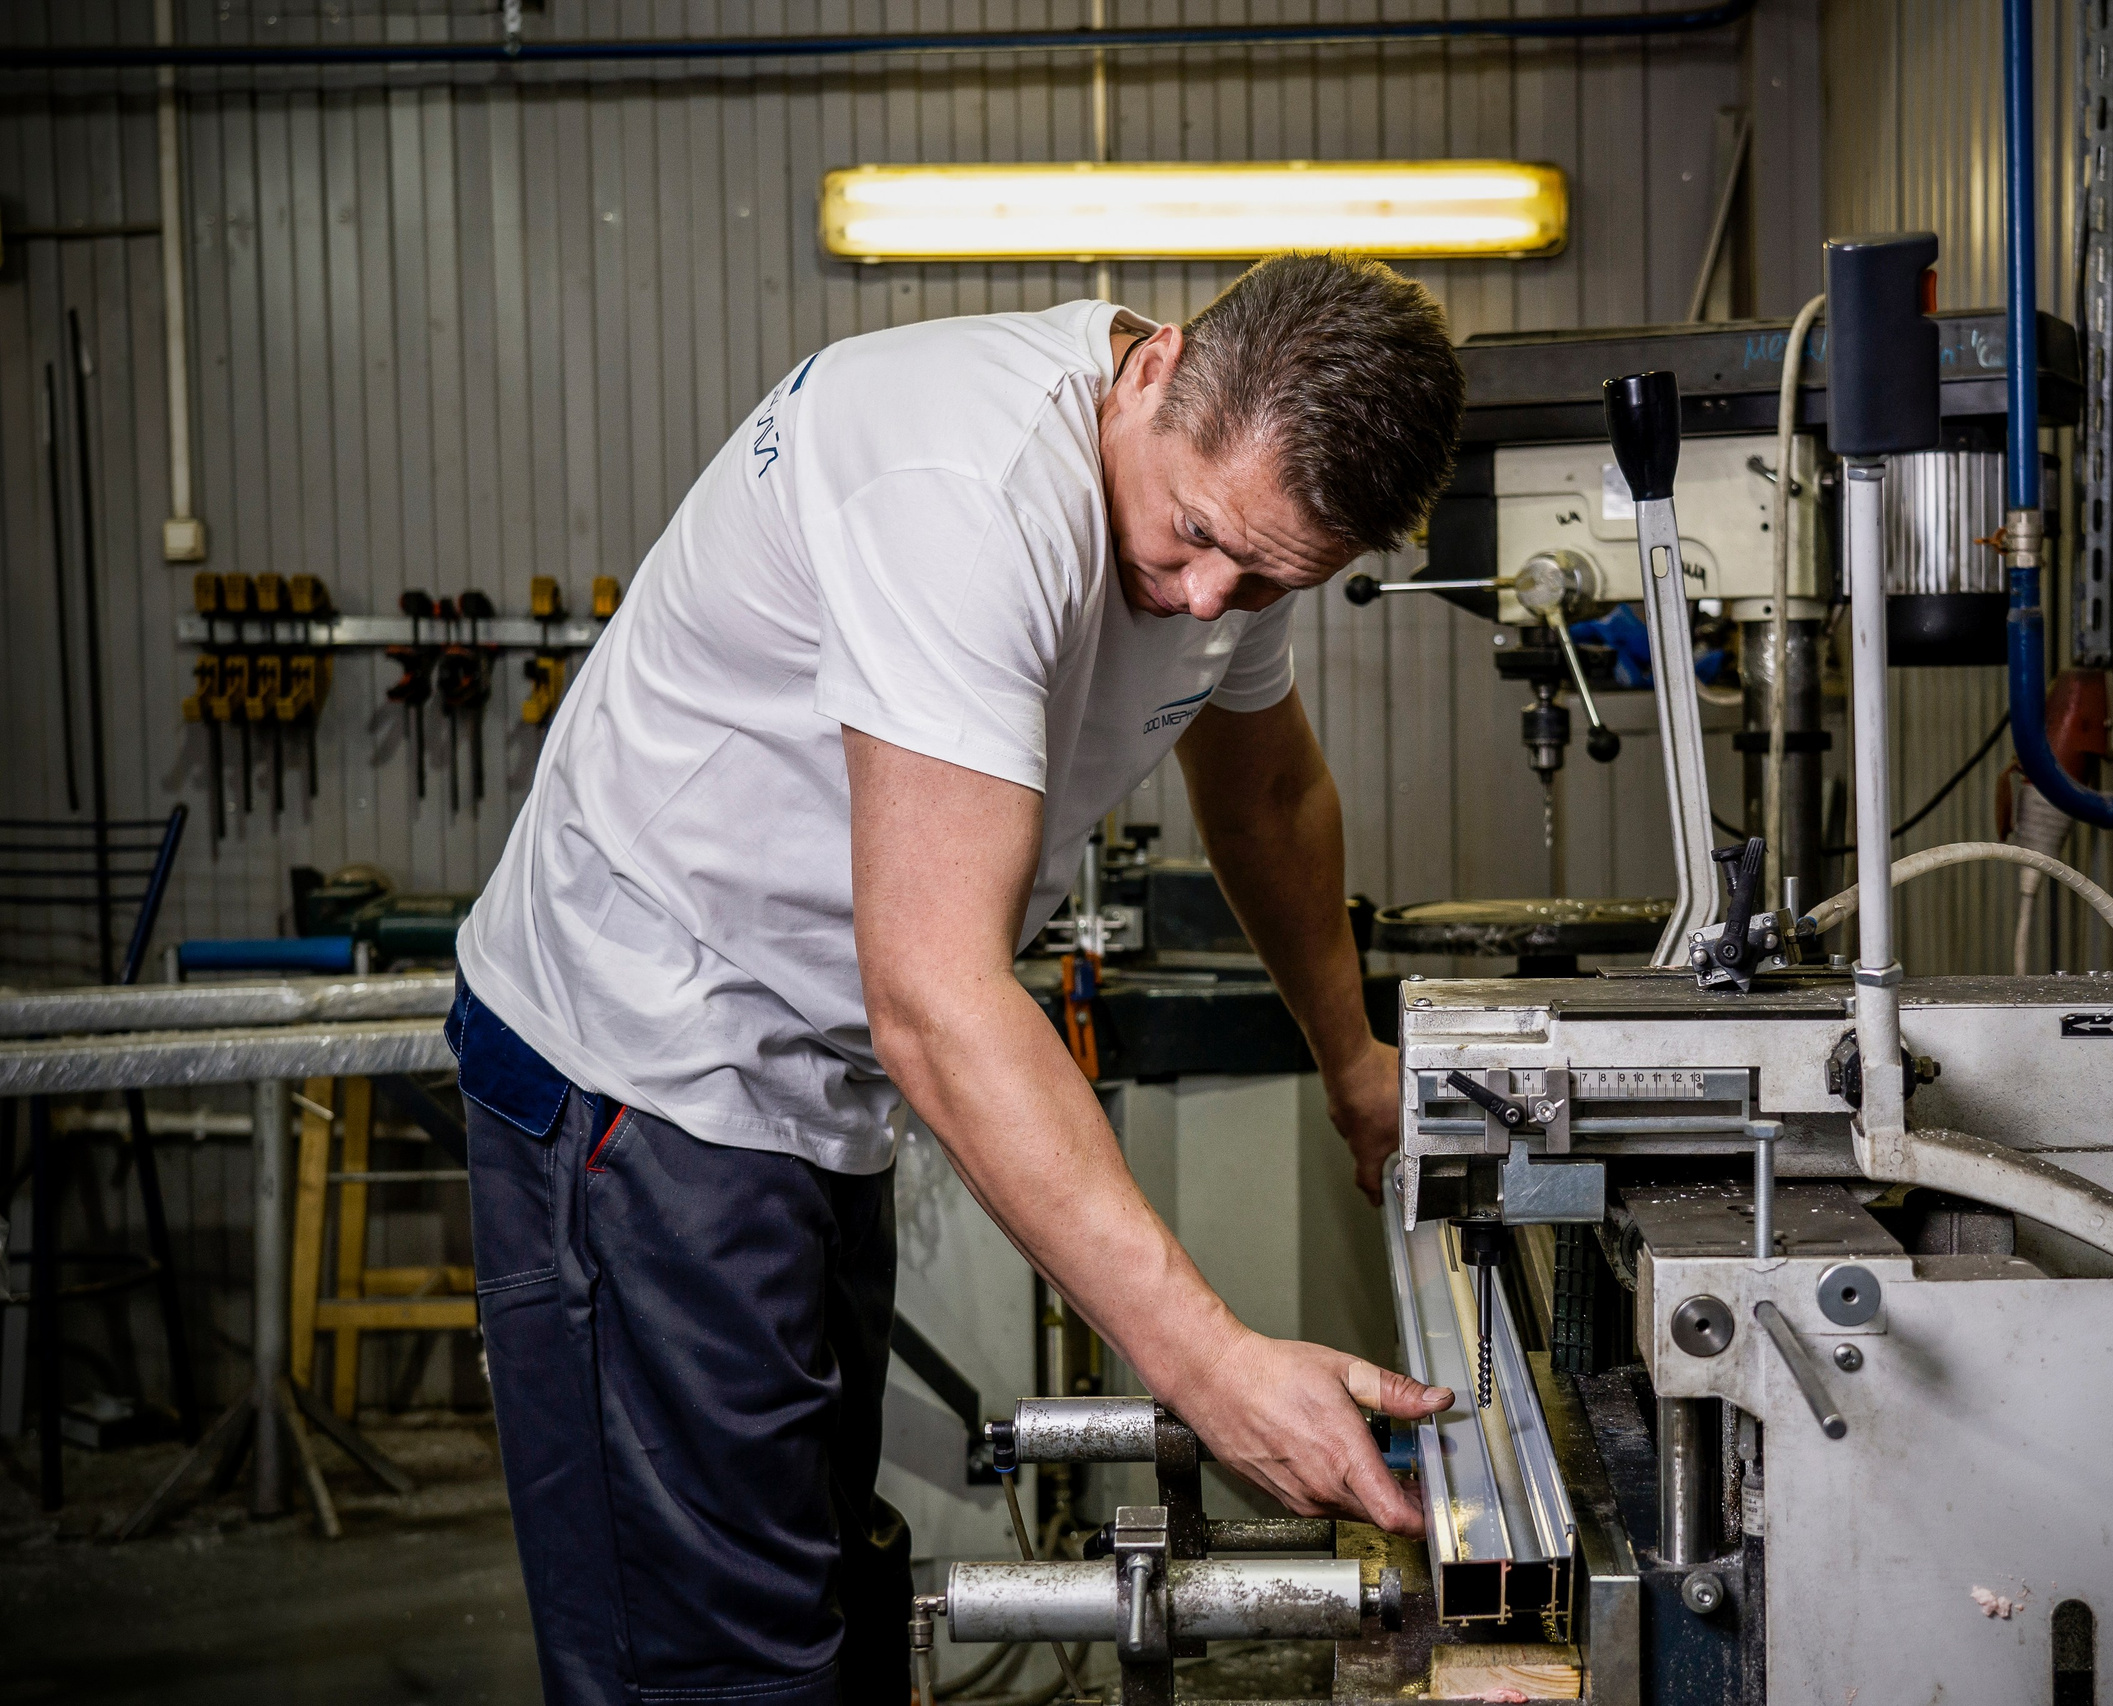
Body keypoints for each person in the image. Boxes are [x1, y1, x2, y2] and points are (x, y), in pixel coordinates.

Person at [446, 252, 1467, 1703]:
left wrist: (1354, 1057)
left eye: (1264, 578)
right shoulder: (962, 487)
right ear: (1156, 363)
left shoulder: (1230, 515)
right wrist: (1213, 1365)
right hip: (639, 1065)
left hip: (806, 1073)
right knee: (712, 1664)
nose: (1203, 599)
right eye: (1191, 539)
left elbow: (1268, 793)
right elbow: (936, 995)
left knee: (822, 1597)